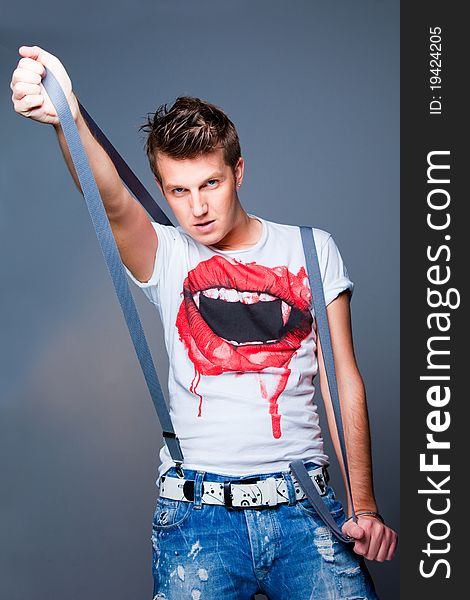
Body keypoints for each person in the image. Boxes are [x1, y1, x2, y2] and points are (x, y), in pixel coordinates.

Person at [11, 45, 397, 600]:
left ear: (238, 171)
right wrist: (67, 116)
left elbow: (343, 382)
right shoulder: (167, 254)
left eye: (210, 184)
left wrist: (365, 505)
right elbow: (113, 200)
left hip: (304, 509)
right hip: (198, 519)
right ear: (165, 191)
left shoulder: (311, 249)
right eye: (178, 191)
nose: (197, 209)